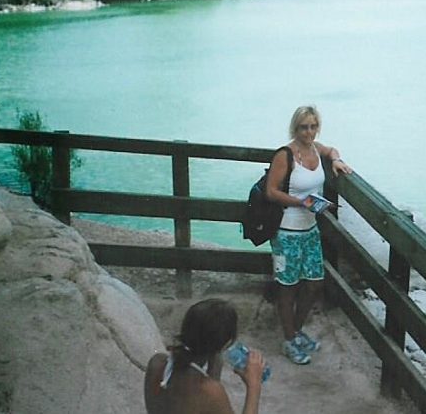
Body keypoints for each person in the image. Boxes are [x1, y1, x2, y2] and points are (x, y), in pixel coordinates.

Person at [264, 105, 353, 364]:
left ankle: (295, 331)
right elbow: (271, 191)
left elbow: (331, 150)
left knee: (314, 283)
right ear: (295, 128)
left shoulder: (316, 149)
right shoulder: (285, 155)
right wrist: (300, 203)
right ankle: (289, 340)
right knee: (287, 288)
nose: (309, 132)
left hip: (310, 230)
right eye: (304, 127)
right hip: (287, 232)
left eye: (313, 126)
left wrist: (336, 159)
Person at [144, 298, 265, 414]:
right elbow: (206, 399)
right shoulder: (209, 391)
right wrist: (254, 385)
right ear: (226, 344)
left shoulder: (157, 364)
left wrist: (214, 368)